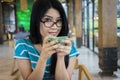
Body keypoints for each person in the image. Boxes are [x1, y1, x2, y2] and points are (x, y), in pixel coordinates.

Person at [14, 0, 80, 80]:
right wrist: (43, 57)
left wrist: (60, 57)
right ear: (36, 21)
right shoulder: (23, 45)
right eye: (48, 20)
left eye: (59, 20)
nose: (55, 27)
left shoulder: (69, 45)